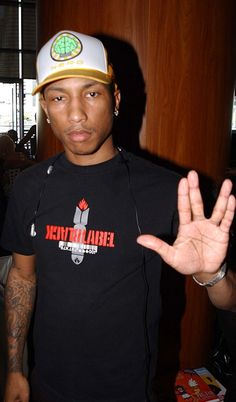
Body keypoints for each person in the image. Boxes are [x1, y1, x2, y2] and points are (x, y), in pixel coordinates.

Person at [0, 30, 235, 402]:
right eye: (59, 98)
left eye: (91, 93)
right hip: (47, 387)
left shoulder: (167, 191)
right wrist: (14, 368)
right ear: (45, 108)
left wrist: (213, 275)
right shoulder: (29, 187)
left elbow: (230, 302)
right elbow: (21, 278)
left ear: (116, 99)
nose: (76, 113)